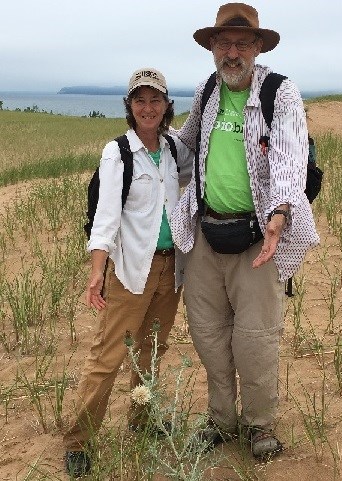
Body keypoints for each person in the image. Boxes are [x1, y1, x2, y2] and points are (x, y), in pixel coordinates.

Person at [170, 3, 319, 459]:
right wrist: (147, 137)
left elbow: (291, 158)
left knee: (255, 338)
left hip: (259, 238)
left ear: (257, 47)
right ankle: (220, 418)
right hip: (206, 235)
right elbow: (188, 143)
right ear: (212, 48)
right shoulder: (207, 91)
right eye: (223, 43)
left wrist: (278, 215)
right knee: (208, 332)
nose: (231, 53)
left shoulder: (280, 92)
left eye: (241, 44)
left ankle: (259, 425)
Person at [63, 67, 193, 477]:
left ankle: (142, 421)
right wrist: (96, 273)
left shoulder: (174, 148)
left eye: (156, 100)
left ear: (167, 106)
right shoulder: (117, 152)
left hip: (172, 269)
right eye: (140, 100)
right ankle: (79, 441)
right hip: (131, 270)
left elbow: (197, 172)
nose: (148, 108)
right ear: (129, 106)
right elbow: (105, 219)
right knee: (108, 356)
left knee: (151, 352)